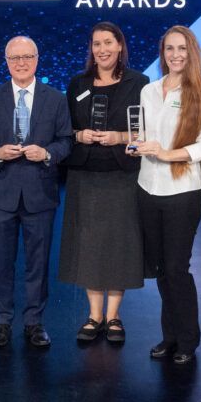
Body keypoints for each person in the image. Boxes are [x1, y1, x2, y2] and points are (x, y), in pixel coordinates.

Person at [0, 36, 72, 348]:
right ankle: (2, 321)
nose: (21, 62)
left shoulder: (55, 98)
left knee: (38, 264)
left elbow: (66, 141)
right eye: (14, 57)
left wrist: (45, 154)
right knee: (1, 263)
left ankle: (34, 322)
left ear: (37, 59)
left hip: (40, 195)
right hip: (2, 195)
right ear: (6, 61)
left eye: (27, 56)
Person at [58, 22, 149, 343]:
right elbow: (61, 129)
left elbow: (149, 130)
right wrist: (78, 134)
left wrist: (119, 137)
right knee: (90, 245)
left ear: (120, 46)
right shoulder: (77, 83)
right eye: (96, 44)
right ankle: (94, 314)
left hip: (123, 174)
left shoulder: (140, 83)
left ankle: (114, 316)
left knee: (119, 244)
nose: (103, 49)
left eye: (108, 42)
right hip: (85, 175)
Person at [133, 26, 201, 365]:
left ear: (191, 52)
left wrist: (168, 154)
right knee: (160, 268)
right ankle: (169, 335)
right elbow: (141, 133)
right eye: (169, 49)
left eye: (182, 48)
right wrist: (136, 145)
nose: (175, 55)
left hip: (182, 191)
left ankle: (188, 339)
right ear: (162, 52)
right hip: (147, 187)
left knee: (177, 267)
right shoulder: (149, 91)